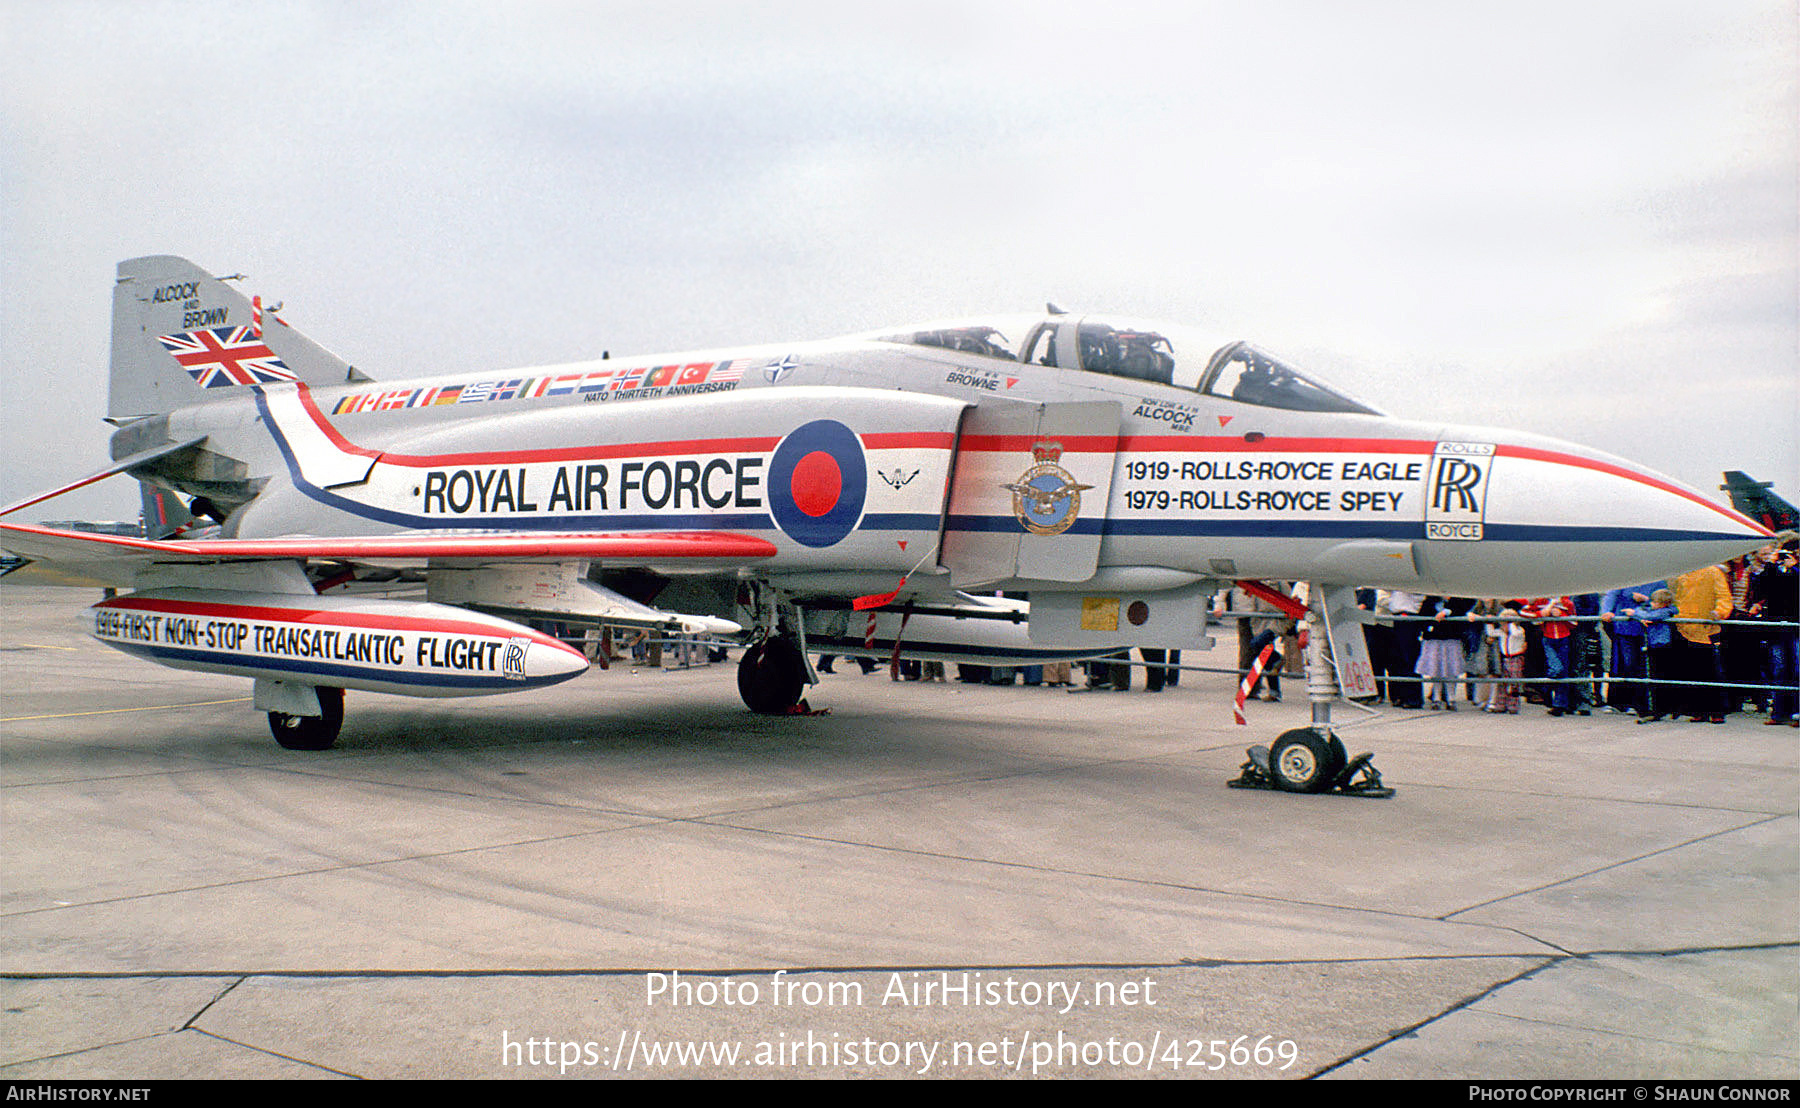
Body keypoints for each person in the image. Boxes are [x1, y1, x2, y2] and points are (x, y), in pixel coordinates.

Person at [1672, 564, 1732, 723]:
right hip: (1684, 627)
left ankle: (1717, 711)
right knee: (1692, 671)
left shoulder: (1713, 572)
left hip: (1706, 628)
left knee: (1712, 671)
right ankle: (1697, 709)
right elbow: (1677, 598)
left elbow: (1724, 597)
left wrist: (1719, 612)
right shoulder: (1682, 574)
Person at [1747, 540, 1798, 727]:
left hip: (1796, 626)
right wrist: (1770, 564)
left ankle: (1797, 712)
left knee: (1798, 668)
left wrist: (1795, 568)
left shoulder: (1795, 572)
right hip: (1778, 627)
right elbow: (1761, 588)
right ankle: (1779, 713)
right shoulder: (1773, 572)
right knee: (1779, 669)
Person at [1601, 581, 1664, 716]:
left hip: (1648, 630)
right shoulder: (1627, 577)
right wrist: (1606, 612)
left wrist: (1645, 600)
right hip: (1624, 628)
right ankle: (1617, 702)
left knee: (1640, 667)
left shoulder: (1659, 581)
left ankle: (1638, 703)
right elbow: (1612, 594)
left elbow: (1664, 603)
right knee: (1622, 664)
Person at [1628, 589, 1680, 723]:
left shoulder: (1666, 611)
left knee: (1659, 675)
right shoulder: (1660, 610)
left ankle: (1661, 708)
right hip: (1653, 644)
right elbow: (1647, 612)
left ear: (1662, 604)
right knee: (1652, 674)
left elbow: (1651, 617)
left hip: (1660, 645)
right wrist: (1642, 611)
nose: (1652, 604)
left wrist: (1635, 613)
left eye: (1655, 602)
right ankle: (1655, 707)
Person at [1416, 596, 1475, 709]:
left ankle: (1451, 698)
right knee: (1436, 669)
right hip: (1433, 639)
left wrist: (1447, 611)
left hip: (1451, 638)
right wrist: (1431, 624)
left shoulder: (1457, 601)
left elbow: (1462, 611)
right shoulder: (1429, 601)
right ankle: (1436, 698)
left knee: (1452, 669)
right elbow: (1422, 619)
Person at [1524, 597, 1575, 716]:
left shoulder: (1567, 602)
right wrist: (1542, 613)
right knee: (1556, 668)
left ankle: (1559, 705)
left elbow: (1574, 623)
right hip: (1548, 638)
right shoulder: (1541, 601)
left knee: (1563, 673)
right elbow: (1525, 613)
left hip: (1563, 639)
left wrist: (1561, 615)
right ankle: (1544, 688)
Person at [1485, 603, 1528, 713]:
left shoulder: (1519, 630)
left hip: (1516, 657)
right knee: (1503, 682)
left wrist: (1511, 625)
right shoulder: (1501, 632)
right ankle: (1501, 704)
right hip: (1505, 658)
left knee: (1514, 682)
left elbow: (1514, 634)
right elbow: (1490, 632)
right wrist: (1489, 623)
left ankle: (1513, 705)